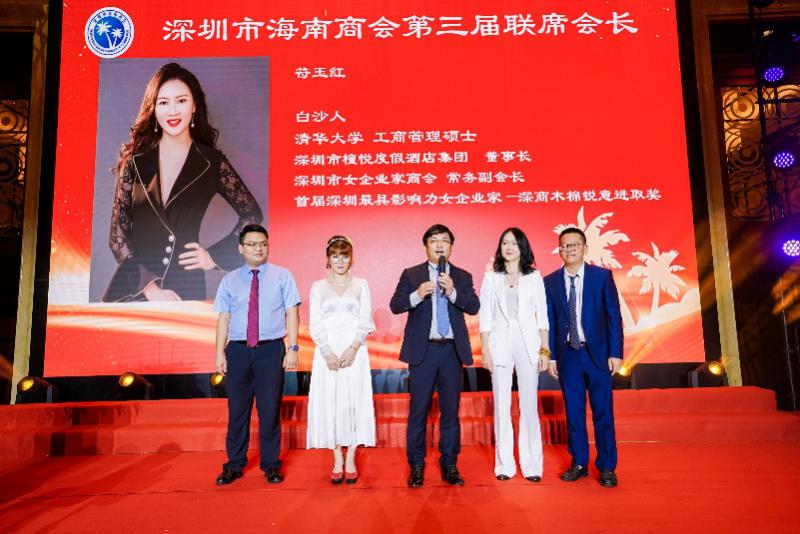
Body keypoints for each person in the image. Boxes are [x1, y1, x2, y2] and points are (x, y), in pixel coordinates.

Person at [104, 62, 262, 302]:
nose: (172, 111)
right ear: (154, 109)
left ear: (194, 105)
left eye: (181, 101)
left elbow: (252, 215)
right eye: (163, 103)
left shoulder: (211, 163)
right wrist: (151, 290)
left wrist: (214, 257)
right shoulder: (134, 163)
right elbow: (118, 235)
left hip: (186, 285)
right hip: (133, 290)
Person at [389, 224, 480, 487]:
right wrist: (417, 295)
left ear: (451, 246)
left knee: (450, 413)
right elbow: (396, 305)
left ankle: (450, 464)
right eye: (434, 240)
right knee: (418, 412)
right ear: (425, 246)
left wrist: (453, 292)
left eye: (445, 241)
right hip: (423, 352)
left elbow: (474, 306)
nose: (440, 245)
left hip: (451, 352)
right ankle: (416, 466)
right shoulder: (412, 274)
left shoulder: (462, 276)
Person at [212, 224, 301, 485]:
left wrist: (293, 348)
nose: (258, 248)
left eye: (262, 243)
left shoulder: (282, 276)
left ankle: (271, 464)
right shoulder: (229, 280)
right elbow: (223, 318)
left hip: (271, 350)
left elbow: (292, 313)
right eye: (252, 244)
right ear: (241, 248)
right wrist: (219, 353)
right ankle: (234, 464)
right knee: (237, 410)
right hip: (238, 350)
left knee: (269, 409)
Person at [543, 227, 624, 488]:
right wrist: (551, 356)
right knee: (574, 413)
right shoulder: (550, 282)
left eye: (574, 245)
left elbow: (613, 316)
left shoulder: (601, 277)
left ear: (584, 248)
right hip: (568, 356)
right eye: (565, 245)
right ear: (559, 250)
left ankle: (607, 467)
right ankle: (579, 462)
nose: (569, 249)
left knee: (603, 412)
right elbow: (549, 322)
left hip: (597, 354)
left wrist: (616, 352)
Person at [479, 228, 550, 482]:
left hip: (528, 343)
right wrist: (485, 350)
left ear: (522, 248)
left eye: (514, 243)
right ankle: (504, 465)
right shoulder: (491, 278)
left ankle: (532, 466)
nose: (508, 247)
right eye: (504, 243)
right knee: (502, 405)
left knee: (528, 405)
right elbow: (485, 318)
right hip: (499, 344)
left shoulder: (534, 277)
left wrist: (544, 350)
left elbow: (542, 317)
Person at [307, 235, 376, 484]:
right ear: (328, 259)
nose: (340, 261)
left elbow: (365, 320)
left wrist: (353, 348)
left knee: (354, 401)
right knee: (332, 402)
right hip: (327, 354)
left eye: (344, 256)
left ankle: (351, 458)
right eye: (335, 256)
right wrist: (327, 352)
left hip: (354, 352)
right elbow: (315, 323)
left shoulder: (361, 285)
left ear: (351, 258)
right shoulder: (318, 287)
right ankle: (337, 457)